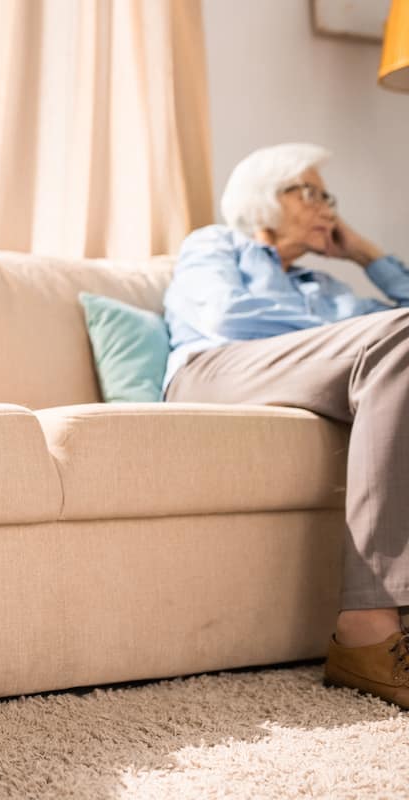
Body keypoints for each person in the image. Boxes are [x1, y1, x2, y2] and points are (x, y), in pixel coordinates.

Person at [164, 142, 409, 708]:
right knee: (397, 338)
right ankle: (366, 631)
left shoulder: (327, 288)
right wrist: (335, 332)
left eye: (330, 197)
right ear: (262, 199)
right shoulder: (215, 244)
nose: (328, 209)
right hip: (214, 369)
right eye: (311, 192)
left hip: (302, 369)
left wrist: (369, 256)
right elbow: (227, 318)